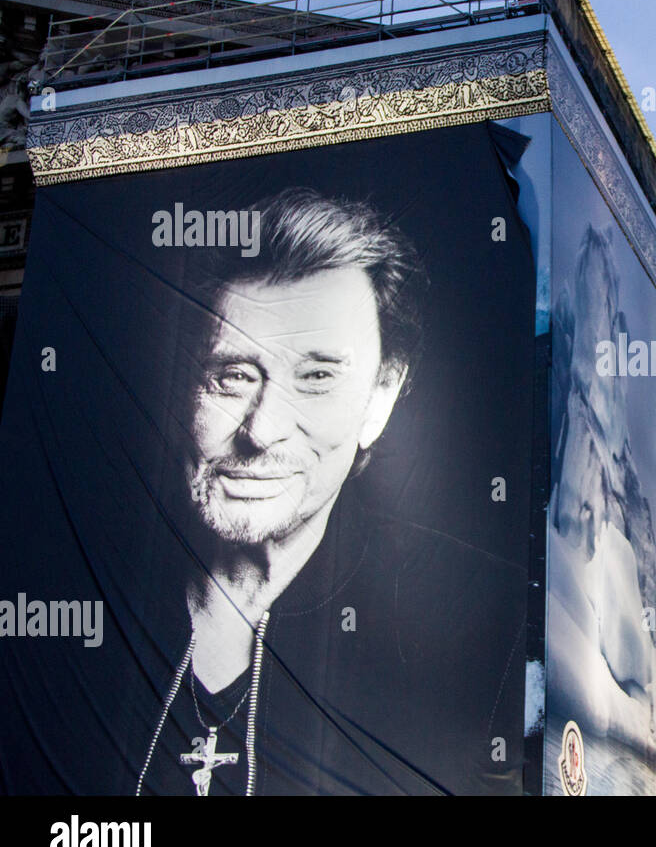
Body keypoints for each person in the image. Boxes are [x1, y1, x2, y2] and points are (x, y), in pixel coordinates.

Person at [135, 187, 524, 795]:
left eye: (315, 377)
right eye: (233, 376)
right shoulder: (72, 592)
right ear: (183, 381)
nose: (261, 431)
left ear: (381, 397)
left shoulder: (476, 631)